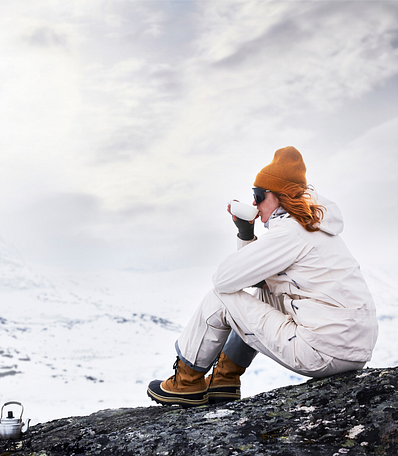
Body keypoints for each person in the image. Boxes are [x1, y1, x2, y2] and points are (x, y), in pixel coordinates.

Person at [147, 146, 378, 407]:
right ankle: (224, 381)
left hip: (324, 352)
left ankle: (186, 382)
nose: (254, 204)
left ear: (279, 196)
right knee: (264, 293)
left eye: (258, 195)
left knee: (220, 298)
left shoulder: (290, 233)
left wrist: (246, 235)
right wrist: (246, 234)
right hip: (349, 348)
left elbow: (224, 281)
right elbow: (257, 279)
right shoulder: (313, 227)